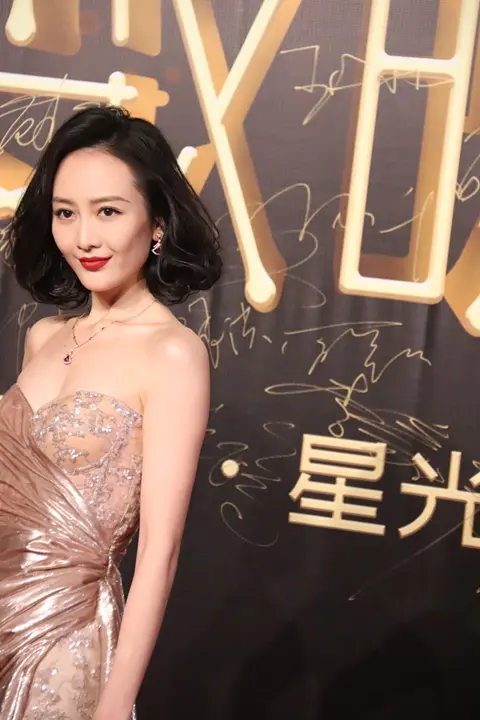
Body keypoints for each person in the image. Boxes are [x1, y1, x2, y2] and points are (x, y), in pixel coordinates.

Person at [0, 105, 221, 720]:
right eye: (65, 213)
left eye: (108, 212)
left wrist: (115, 706)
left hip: (61, 641)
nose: (84, 239)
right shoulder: (44, 337)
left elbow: (159, 553)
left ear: (157, 223)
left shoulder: (171, 353)